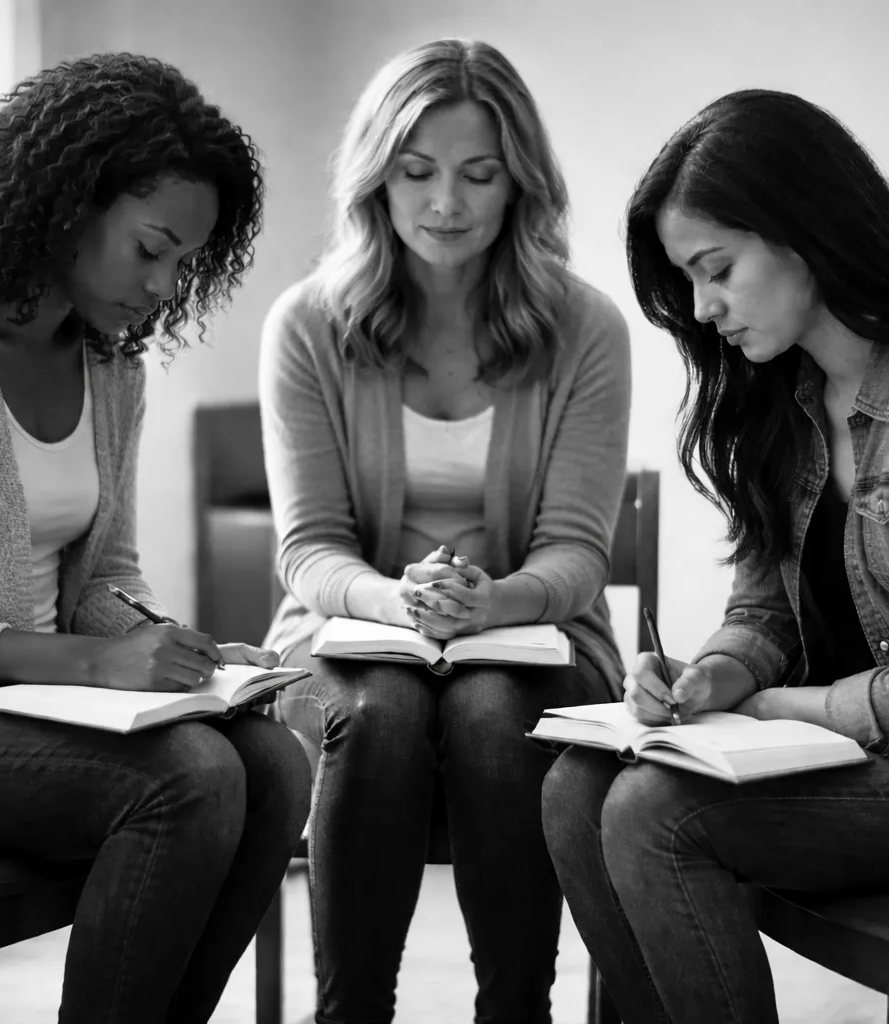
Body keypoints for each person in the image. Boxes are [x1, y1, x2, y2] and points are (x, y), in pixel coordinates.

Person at [0, 52, 310, 1024]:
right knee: (190, 779)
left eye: (186, 262)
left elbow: (104, 577)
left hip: (26, 708)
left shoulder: (110, 366)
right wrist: (95, 664)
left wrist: (177, 651)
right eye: (151, 248)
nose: (165, 284)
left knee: (272, 763)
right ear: (65, 202)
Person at [541, 88, 889, 1024]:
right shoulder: (781, 401)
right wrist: (711, 678)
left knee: (654, 812)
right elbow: (762, 614)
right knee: (576, 786)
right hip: (864, 756)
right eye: (688, 280)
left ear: (806, 229)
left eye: (715, 270)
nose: (702, 307)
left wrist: (764, 706)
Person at [259, 37, 631, 1024]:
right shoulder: (306, 325)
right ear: (375, 178)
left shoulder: (586, 328)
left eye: (480, 174)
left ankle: (515, 1011)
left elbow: (577, 549)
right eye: (417, 172)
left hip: (538, 637)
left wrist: (494, 602)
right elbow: (308, 547)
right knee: (380, 711)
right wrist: (399, 602)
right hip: (344, 635)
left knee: (491, 716)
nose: (446, 204)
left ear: (522, 184)